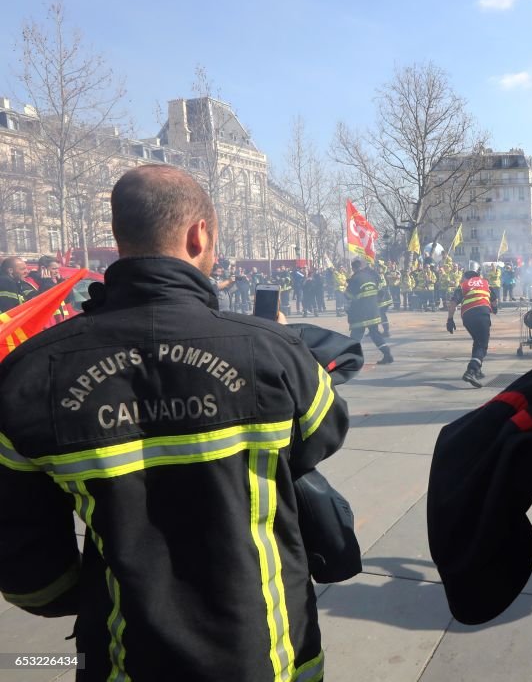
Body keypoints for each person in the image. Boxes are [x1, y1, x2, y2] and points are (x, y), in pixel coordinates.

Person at [0, 164, 349, 681]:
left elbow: (26, 565)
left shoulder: (28, 374)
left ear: (120, 236)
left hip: (128, 658)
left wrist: (92, 593)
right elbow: (323, 436)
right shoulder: (272, 351)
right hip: (268, 655)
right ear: (198, 234)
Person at [446, 261, 497, 388]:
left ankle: (477, 370)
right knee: (482, 344)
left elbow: (453, 304)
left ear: (467, 277)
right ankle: (471, 370)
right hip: (482, 314)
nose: (462, 279)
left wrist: (450, 320)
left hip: (467, 317)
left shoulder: (463, 286)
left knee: (477, 341)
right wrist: (494, 309)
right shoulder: (485, 283)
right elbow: (494, 301)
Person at [346, 258, 394, 364]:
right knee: (375, 334)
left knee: (355, 336)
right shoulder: (370, 276)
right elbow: (380, 292)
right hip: (373, 312)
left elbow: (348, 296)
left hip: (360, 314)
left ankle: (351, 359)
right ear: (361, 266)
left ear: (353, 268)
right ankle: (387, 354)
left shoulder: (354, 279)